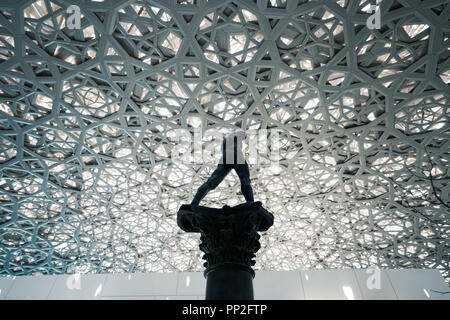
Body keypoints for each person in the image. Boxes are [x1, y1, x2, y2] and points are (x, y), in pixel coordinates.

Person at [191, 130, 254, 206]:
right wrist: (245, 135)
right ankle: (251, 203)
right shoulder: (236, 136)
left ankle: (194, 203)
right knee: (244, 179)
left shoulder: (224, 143)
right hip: (236, 154)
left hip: (224, 157)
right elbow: (243, 135)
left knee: (211, 181)